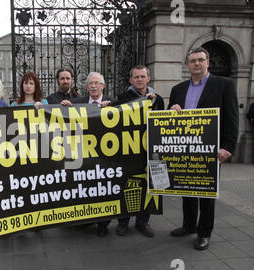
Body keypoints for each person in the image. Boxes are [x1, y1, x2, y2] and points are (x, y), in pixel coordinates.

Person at [168, 47, 239, 250]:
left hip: (211, 149)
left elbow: (232, 118)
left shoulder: (225, 85)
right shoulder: (178, 89)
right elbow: (169, 122)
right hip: (185, 149)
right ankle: (188, 225)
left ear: (208, 62)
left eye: (200, 60)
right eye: (192, 61)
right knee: (187, 188)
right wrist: (172, 110)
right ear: (188, 65)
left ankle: (204, 232)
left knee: (206, 192)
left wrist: (228, 146)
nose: (196, 64)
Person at [96, 65, 164, 238]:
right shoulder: (123, 97)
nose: (139, 79)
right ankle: (123, 222)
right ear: (131, 80)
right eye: (136, 77)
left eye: (142, 76)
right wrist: (106, 106)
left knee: (148, 187)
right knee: (126, 184)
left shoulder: (158, 99)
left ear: (148, 78)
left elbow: (162, 123)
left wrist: (154, 104)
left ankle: (143, 222)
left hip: (149, 151)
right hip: (128, 150)